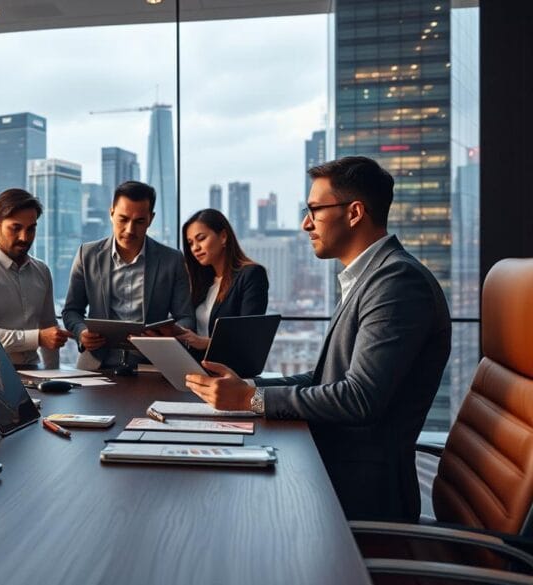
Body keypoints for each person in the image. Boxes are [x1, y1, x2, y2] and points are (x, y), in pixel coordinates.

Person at [185, 156, 450, 522]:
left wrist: (251, 399)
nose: (305, 223)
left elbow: (359, 398)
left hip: (360, 494)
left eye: (315, 210)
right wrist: (246, 386)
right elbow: (324, 379)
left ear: (355, 212)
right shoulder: (368, 278)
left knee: (222, 514)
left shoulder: (396, 284)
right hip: (334, 470)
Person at [62, 181, 194, 370]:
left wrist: (170, 337)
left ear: (151, 219)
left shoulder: (172, 260)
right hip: (97, 362)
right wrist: (82, 332)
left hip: (153, 364)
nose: (130, 229)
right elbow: (71, 311)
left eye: (139, 221)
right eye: (123, 219)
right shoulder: (87, 255)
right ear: (111, 213)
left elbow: (186, 318)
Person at [0, 189, 72, 369]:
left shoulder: (42, 271)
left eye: (31, 229)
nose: (24, 237)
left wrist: (53, 375)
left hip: (34, 372)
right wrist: (38, 338)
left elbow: (49, 328)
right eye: (15, 228)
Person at [175, 208, 268, 353]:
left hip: (229, 368)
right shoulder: (201, 282)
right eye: (190, 243)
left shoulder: (251, 275)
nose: (195, 248)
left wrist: (205, 343)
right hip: (193, 364)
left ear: (223, 236)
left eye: (201, 239)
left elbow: (249, 337)